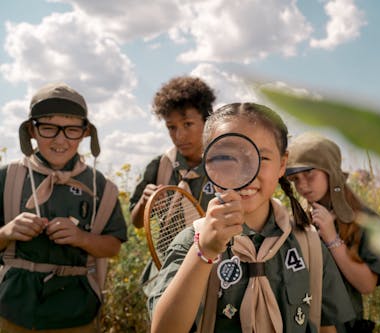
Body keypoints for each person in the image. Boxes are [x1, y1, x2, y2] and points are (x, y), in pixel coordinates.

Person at [149, 103, 356, 333]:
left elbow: (326, 327)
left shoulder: (309, 244)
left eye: (261, 157)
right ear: (208, 163)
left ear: (282, 165)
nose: (245, 173)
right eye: (227, 157)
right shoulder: (191, 244)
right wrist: (204, 252)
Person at [0, 82, 128, 332]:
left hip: (75, 313)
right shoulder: (7, 178)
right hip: (11, 310)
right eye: (48, 128)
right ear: (31, 132)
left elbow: (112, 247)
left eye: (71, 130)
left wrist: (81, 238)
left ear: (85, 133)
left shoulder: (101, 187)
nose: (60, 140)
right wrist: (7, 232)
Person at [286, 132, 380, 333]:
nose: (302, 185)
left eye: (309, 175)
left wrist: (332, 238)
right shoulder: (298, 220)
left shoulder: (367, 220)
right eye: (295, 179)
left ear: (330, 171)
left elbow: (367, 285)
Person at [129, 76, 217, 292]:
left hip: (212, 275)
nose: (179, 135)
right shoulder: (159, 166)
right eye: (171, 127)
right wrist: (145, 203)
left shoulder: (223, 166)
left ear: (207, 121)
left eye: (188, 124)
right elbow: (137, 222)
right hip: (164, 274)